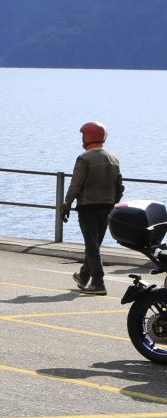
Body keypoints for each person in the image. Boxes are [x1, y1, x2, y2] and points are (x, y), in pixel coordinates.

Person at [64, 121, 123, 294]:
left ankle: (98, 282)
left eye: (83, 135)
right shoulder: (113, 158)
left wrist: (66, 204)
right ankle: (83, 276)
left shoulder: (84, 159)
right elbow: (120, 186)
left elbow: (76, 184)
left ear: (88, 136)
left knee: (91, 246)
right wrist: (114, 203)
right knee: (94, 244)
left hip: (88, 207)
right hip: (107, 206)